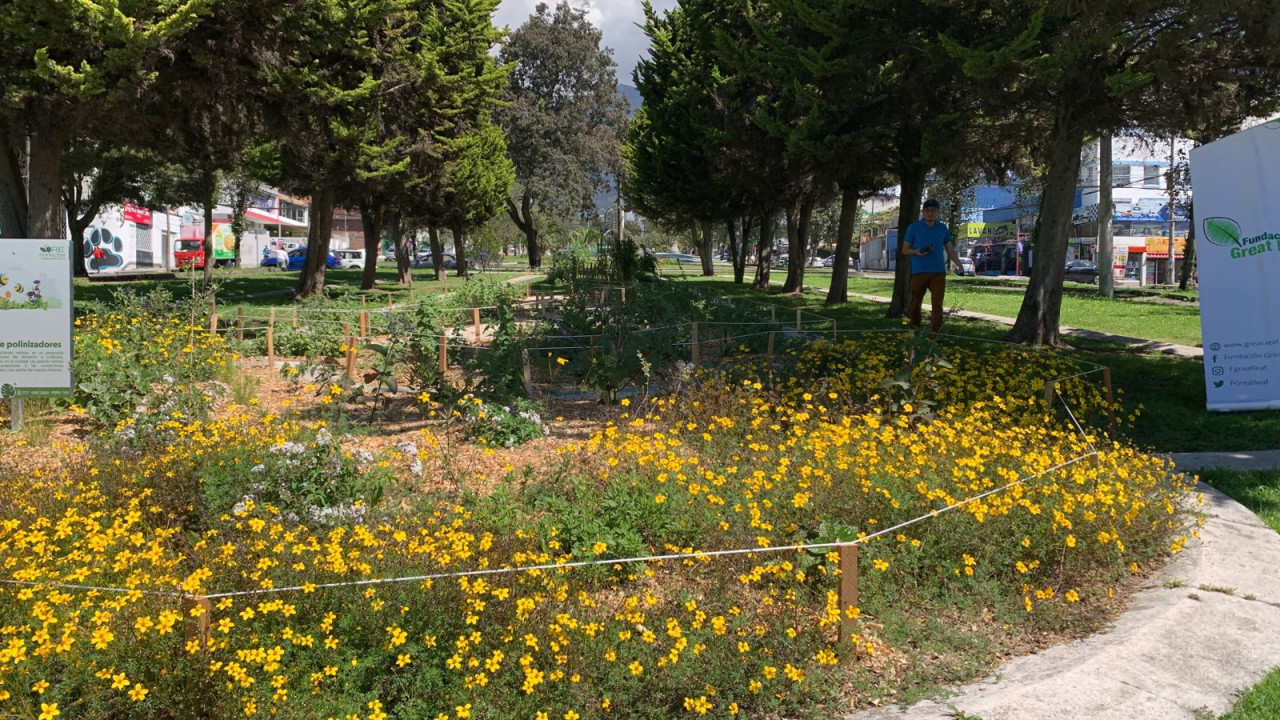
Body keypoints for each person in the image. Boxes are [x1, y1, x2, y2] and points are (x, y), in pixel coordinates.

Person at [903, 198, 963, 335]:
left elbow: (949, 249)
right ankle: (915, 328)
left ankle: (936, 333)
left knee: (937, 305)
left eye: (933, 210)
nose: (929, 213)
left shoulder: (942, 228)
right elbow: (904, 250)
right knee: (915, 303)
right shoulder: (913, 228)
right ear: (923, 212)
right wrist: (917, 252)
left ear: (937, 212)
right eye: (927, 210)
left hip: (938, 272)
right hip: (919, 272)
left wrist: (959, 265)